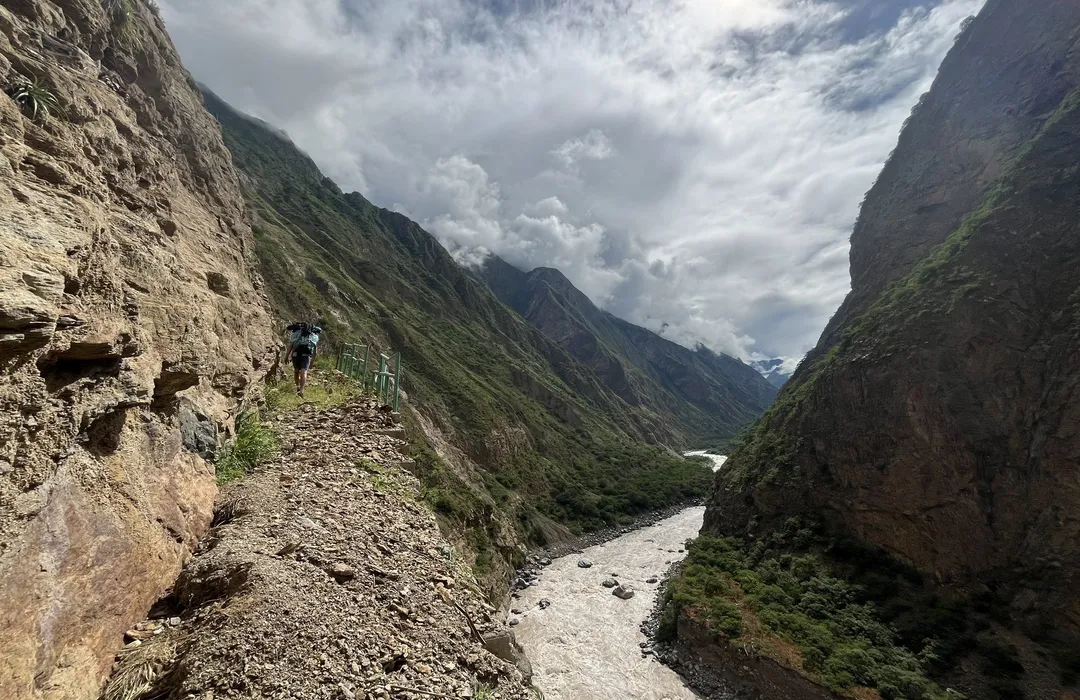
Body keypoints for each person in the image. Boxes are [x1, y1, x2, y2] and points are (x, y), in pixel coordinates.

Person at [284, 322, 322, 397]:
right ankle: (301, 390)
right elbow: (315, 352)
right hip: (306, 356)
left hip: (296, 355)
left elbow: (290, 346)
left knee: (296, 371)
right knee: (304, 372)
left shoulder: (295, 334)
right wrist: (312, 362)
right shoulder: (313, 336)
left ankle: (298, 387)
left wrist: (286, 356)